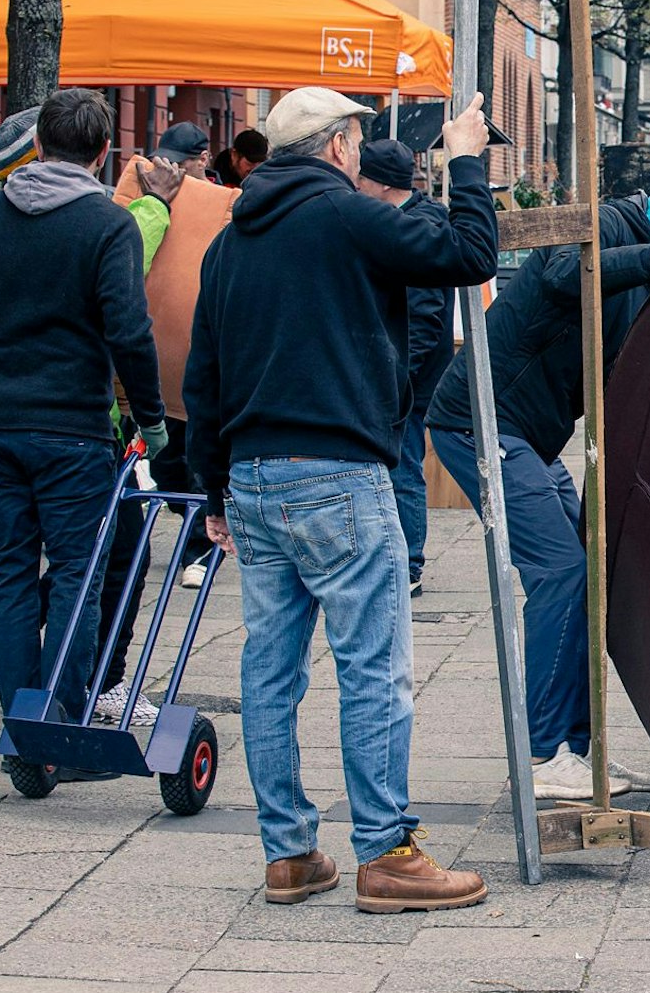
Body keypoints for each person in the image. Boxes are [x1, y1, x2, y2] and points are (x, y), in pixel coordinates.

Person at [186, 87, 497, 912]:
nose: (359, 150)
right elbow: (470, 255)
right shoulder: (349, 217)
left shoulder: (230, 243)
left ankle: (289, 853)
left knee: (271, 669)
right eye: (356, 137)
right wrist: (465, 158)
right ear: (338, 148)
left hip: (251, 475)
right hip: (338, 471)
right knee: (373, 668)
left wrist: (211, 484)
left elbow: (204, 377)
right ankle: (387, 853)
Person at [426, 166, 650, 800]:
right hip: (477, 421)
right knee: (560, 572)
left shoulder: (648, 263)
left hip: (527, 438)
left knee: (590, 577)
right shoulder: (602, 222)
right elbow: (566, 272)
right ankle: (544, 758)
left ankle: (579, 754)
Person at [0, 88, 169, 781]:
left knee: (7, 574)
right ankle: (58, 725)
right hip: (73, 430)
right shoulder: (107, 225)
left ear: (38, 144)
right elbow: (129, 331)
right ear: (104, 154)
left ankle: (22, 727)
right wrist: (152, 420)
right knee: (78, 573)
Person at [113, 124, 242, 590]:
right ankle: (195, 526)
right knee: (165, 460)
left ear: (200, 159)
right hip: (149, 360)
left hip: (194, 359)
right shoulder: (144, 194)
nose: (163, 168)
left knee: (194, 455)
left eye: (176, 162)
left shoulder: (220, 206)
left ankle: (202, 544)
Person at [355, 138, 452, 598]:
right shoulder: (408, 221)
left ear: (376, 182)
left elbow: (423, 318)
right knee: (397, 465)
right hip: (399, 373)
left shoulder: (419, 227)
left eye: (359, 178)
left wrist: (397, 379)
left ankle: (409, 563)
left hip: (406, 380)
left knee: (403, 467)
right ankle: (397, 556)